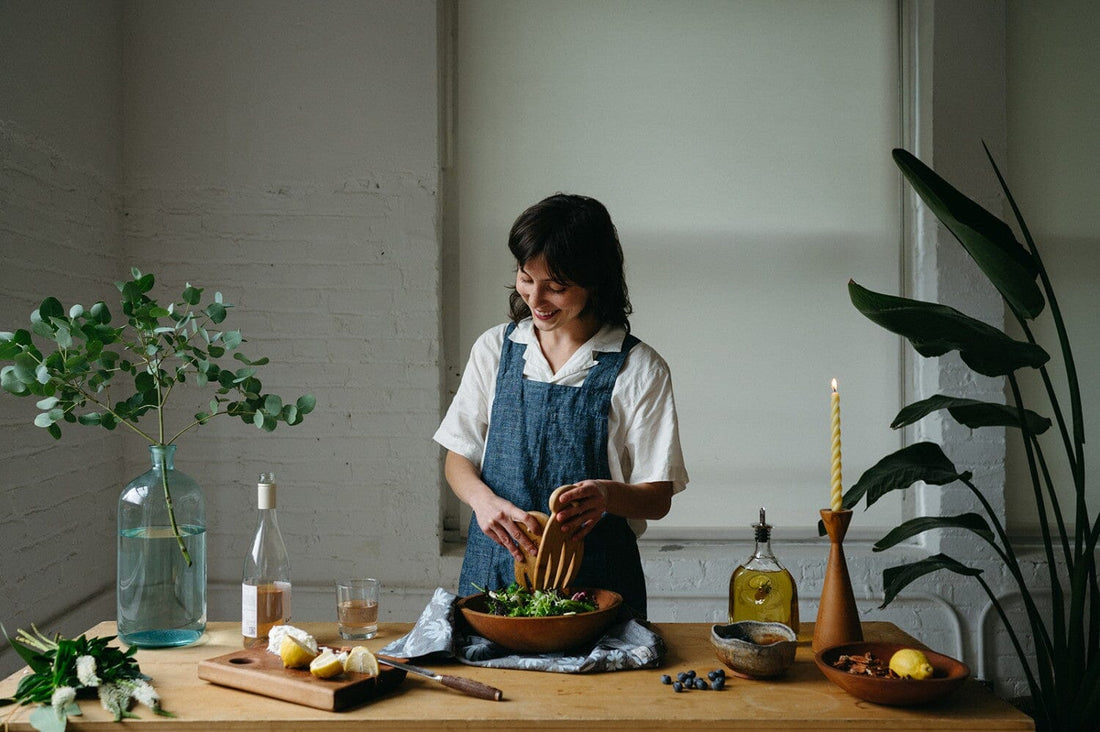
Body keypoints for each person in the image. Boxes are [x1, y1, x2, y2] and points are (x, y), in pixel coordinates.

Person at [434, 193, 688, 618]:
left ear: (595, 281)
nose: (536, 299)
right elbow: (457, 459)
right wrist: (483, 502)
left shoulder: (640, 368)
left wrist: (606, 495)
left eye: (557, 287)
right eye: (526, 277)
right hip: (495, 577)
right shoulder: (495, 349)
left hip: (597, 588)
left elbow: (658, 497)